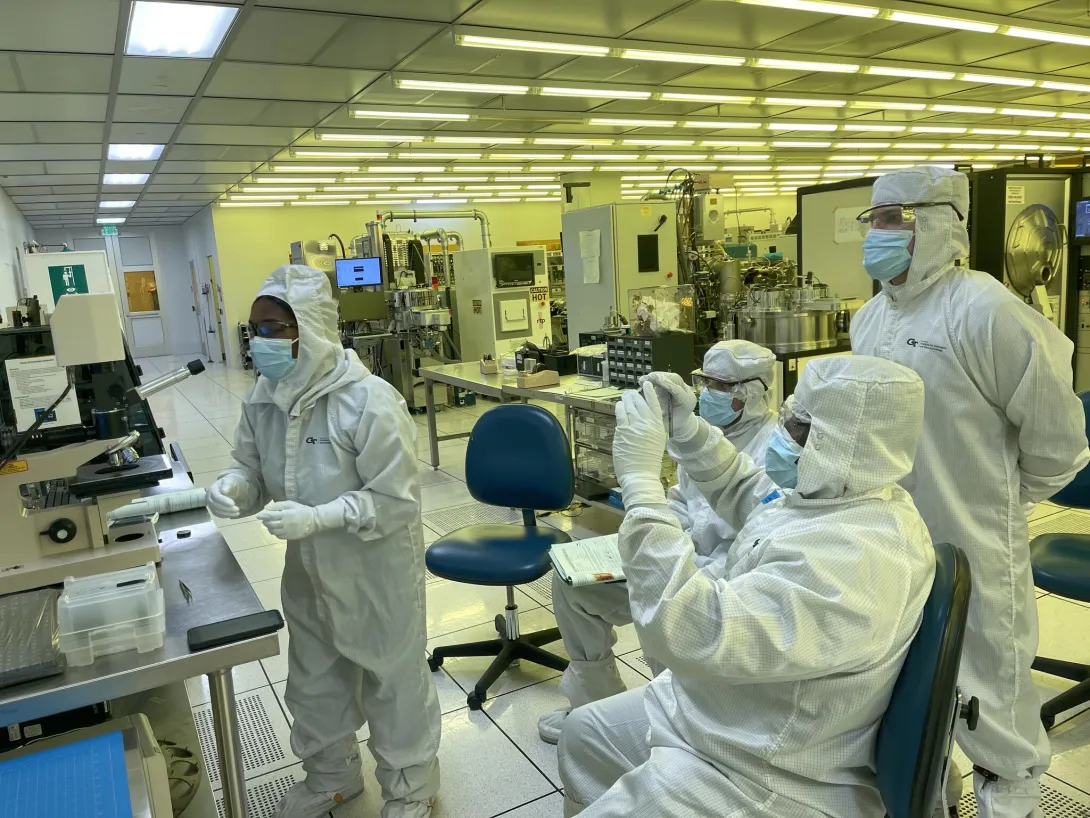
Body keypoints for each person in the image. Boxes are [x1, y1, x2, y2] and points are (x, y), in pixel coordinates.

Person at [558, 356, 936, 818]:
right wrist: (689, 430)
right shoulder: (841, 493)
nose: (782, 434)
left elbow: (693, 633)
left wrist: (639, 486)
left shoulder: (857, 557)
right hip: (729, 714)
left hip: (764, 772)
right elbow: (749, 491)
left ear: (846, 445)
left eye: (798, 427)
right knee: (584, 735)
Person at [850, 165, 1090, 818]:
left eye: (893, 219)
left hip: (975, 553)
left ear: (938, 225)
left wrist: (995, 506)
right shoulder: (869, 321)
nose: (878, 233)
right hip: (892, 554)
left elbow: (1060, 446)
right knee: (910, 716)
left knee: (994, 719)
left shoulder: (986, 312)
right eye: (872, 219)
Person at [206, 265, 441, 818]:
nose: (260, 341)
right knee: (314, 680)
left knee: (393, 682)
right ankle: (333, 777)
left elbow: (397, 501)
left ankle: (412, 790)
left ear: (307, 329)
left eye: (273, 327)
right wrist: (233, 489)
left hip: (375, 572)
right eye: (255, 328)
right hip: (309, 574)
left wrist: (319, 518)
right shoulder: (265, 398)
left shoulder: (370, 402)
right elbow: (252, 469)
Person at [537, 340, 778, 744]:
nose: (706, 393)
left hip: (720, 585)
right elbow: (681, 502)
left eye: (718, 385)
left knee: (664, 621)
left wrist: (668, 565)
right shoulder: (702, 435)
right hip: (677, 558)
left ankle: (671, 727)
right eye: (703, 381)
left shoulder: (775, 452)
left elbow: (751, 550)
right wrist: (641, 548)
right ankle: (595, 708)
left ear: (749, 393)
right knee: (572, 587)